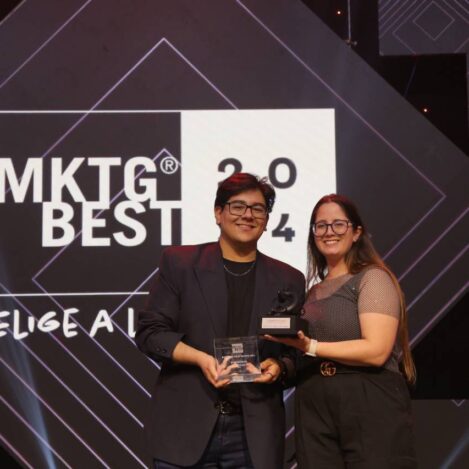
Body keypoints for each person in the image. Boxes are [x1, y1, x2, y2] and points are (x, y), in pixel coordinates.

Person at [136, 172, 305, 469]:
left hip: (253, 434)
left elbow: (296, 353)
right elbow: (150, 333)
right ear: (218, 213)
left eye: (258, 209)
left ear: (267, 220)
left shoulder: (288, 279)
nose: (248, 215)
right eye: (237, 206)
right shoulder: (180, 263)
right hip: (185, 427)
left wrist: (279, 367)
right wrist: (201, 359)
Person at [266, 194, 417, 468]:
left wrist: (311, 346)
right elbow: (302, 354)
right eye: (321, 225)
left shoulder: (373, 278)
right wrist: (280, 366)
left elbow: (376, 351)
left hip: (368, 397)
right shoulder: (311, 292)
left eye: (338, 224)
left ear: (356, 232)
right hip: (313, 401)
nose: (329, 232)